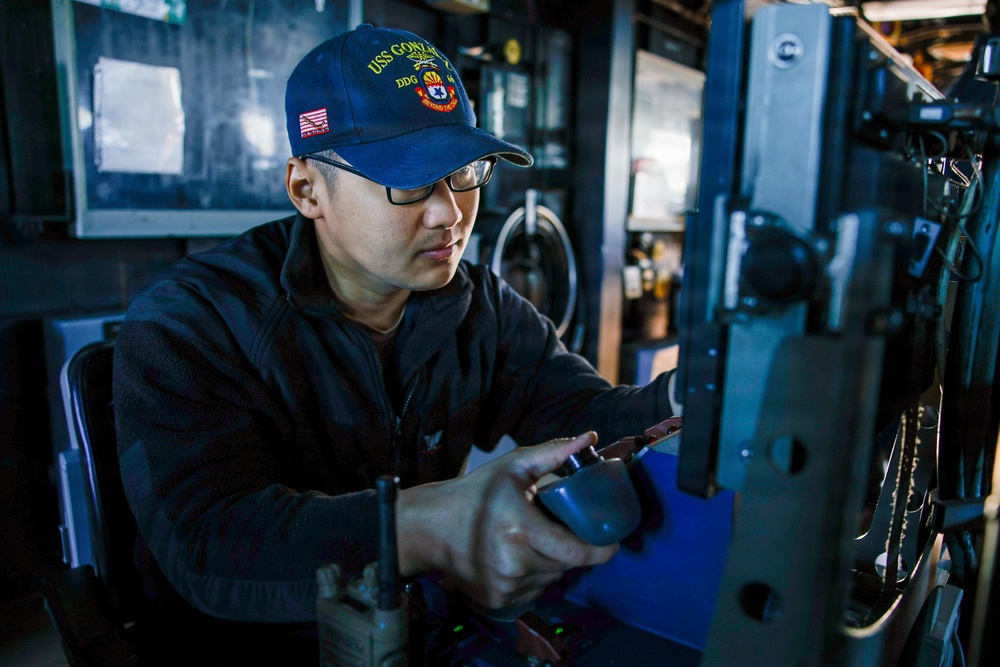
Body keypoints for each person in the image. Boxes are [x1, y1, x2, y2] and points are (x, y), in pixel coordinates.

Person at [113, 23, 675, 663]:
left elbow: (586, 418)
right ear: (307, 189)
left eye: (463, 172)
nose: (450, 213)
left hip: (414, 620)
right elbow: (210, 543)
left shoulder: (475, 303)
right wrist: (428, 525)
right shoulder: (194, 321)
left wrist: (695, 395)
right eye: (408, 181)